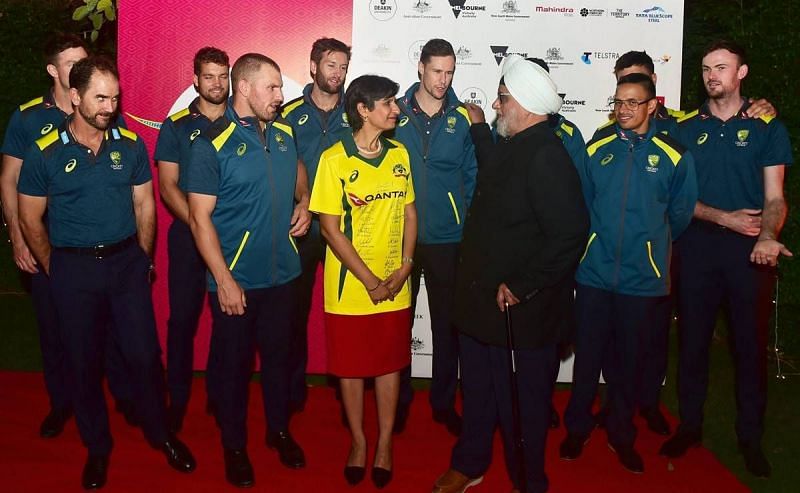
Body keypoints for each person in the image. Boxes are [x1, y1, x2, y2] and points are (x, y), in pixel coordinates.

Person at [17, 55, 196, 490]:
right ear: (75, 97)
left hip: (125, 266)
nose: (109, 106)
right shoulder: (45, 153)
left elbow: (145, 206)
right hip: (72, 270)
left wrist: (143, 258)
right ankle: (98, 448)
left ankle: (161, 434)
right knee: (83, 363)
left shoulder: (130, 145)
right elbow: (30, 218)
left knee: (143, 357)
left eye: (115, 98)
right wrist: (55, 267)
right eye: (100, 98)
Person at [592, 50, 777, 436]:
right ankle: (631, 409)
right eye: (624, 81)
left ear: (653, 85)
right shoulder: (614, 134)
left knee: (672, 333)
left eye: (639, 80)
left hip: (685, 253)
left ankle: (658, 406)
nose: (631, 90)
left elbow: (681, 197)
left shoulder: (681, 123)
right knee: (636, 336)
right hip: (658, 252)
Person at [433, 55, 589, 493]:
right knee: (479, 394)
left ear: (524, 102)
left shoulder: (547, 156)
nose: (498, 106)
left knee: (524, 407)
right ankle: (469, 463)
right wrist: (480, 126)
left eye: (503, 99)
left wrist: (522, 286)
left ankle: (528, 480)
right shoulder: (516, 144)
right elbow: (494, 172)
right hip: (481, 306)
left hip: (520, 313)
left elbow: (571, 234)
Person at [660, 40, 793, 479]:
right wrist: (723, 217)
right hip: (696, 247)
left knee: (749, 348)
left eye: (721, 67)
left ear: (742, 73)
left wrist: (768, 235)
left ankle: (750, 437)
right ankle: (690, 426)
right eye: (705, 69)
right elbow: (675, 197)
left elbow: (775, 197)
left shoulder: (766, 126)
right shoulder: (684, 128)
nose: (711, 75)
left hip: (749, 252)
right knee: (692, 344)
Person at [0, 32, 136, 438]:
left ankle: (125, 398)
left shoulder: (105, 110)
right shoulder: (27, 118)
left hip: (102, 254)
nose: (79, 68)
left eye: (84, 60)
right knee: (55, 330)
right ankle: (62, 403)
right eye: (70, 62)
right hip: (49, 247)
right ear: (51, 70)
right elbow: (9, 181)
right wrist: (19, 238)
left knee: (112, 329)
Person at [560, 73, 697, 473]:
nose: (623, 109)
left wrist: (652, 252)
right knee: (587, 360)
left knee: (628, 365)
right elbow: (584, 204)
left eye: (633, 102)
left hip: (643, 280)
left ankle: (621, 434)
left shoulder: (674, 155)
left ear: (652, 105)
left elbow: (681, 214)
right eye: (618, 101)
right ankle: (577, 428)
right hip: (594, 276)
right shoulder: (597, 147)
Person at [185, 53, 310, 488]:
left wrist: (306, 203)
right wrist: (223, 279)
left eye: (280, 87)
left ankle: (278, 432)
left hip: (284, 278)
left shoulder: (283, 133)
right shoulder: (209, 145)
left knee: (279, 362)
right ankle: (234, 447)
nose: (281, 96)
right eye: (272, 87)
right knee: (233, 370)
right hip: (236, 282)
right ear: (245, 88)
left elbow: (297, 171)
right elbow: (199, 219)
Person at [309, 74, 416, 489]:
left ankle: (385, 443)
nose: (395, 109)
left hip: (396, 282)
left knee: (389, 366)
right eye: (387, 103)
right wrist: (371, 279)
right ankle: (358, 441)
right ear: (362, 110)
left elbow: (409, 214)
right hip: (351, 287)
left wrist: (406, 266)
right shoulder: (334, 159)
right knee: (351, 370)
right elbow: (330, 230)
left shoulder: (400, 154)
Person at [393, 38, 477, 436]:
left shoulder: (463, 118)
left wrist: (470, 228)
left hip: (448, 239)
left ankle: (444, 403)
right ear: (420, 69)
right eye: (436, 71)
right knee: (398, 326)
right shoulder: (393, 112)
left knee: (448, 326)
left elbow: (473, 178)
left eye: (449, 72)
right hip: (401, 238)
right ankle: (399, 403)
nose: (443, 80)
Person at [154, 46, 230, 433]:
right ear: (196, 80)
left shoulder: (244, 121)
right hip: (187, 238)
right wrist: (202, 229)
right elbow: (167, 187)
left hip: (233, 241)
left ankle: (219, 396)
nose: (217, 84)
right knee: (182, 321)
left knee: (227, 321)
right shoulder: (177, 126)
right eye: (209, 76)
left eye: (223, 75)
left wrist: (220, 233)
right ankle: (178, 398)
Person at [281, 37, 352, 413]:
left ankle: (348, 391)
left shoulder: (356, 113)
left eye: (342, 67)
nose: (337, 73)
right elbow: (285, 166)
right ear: (313, 67)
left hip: (344, 227)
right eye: (330, 65)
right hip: (303, 226)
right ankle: (293, 390)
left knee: (346, 312)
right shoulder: (289, 115)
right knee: (294, 311)